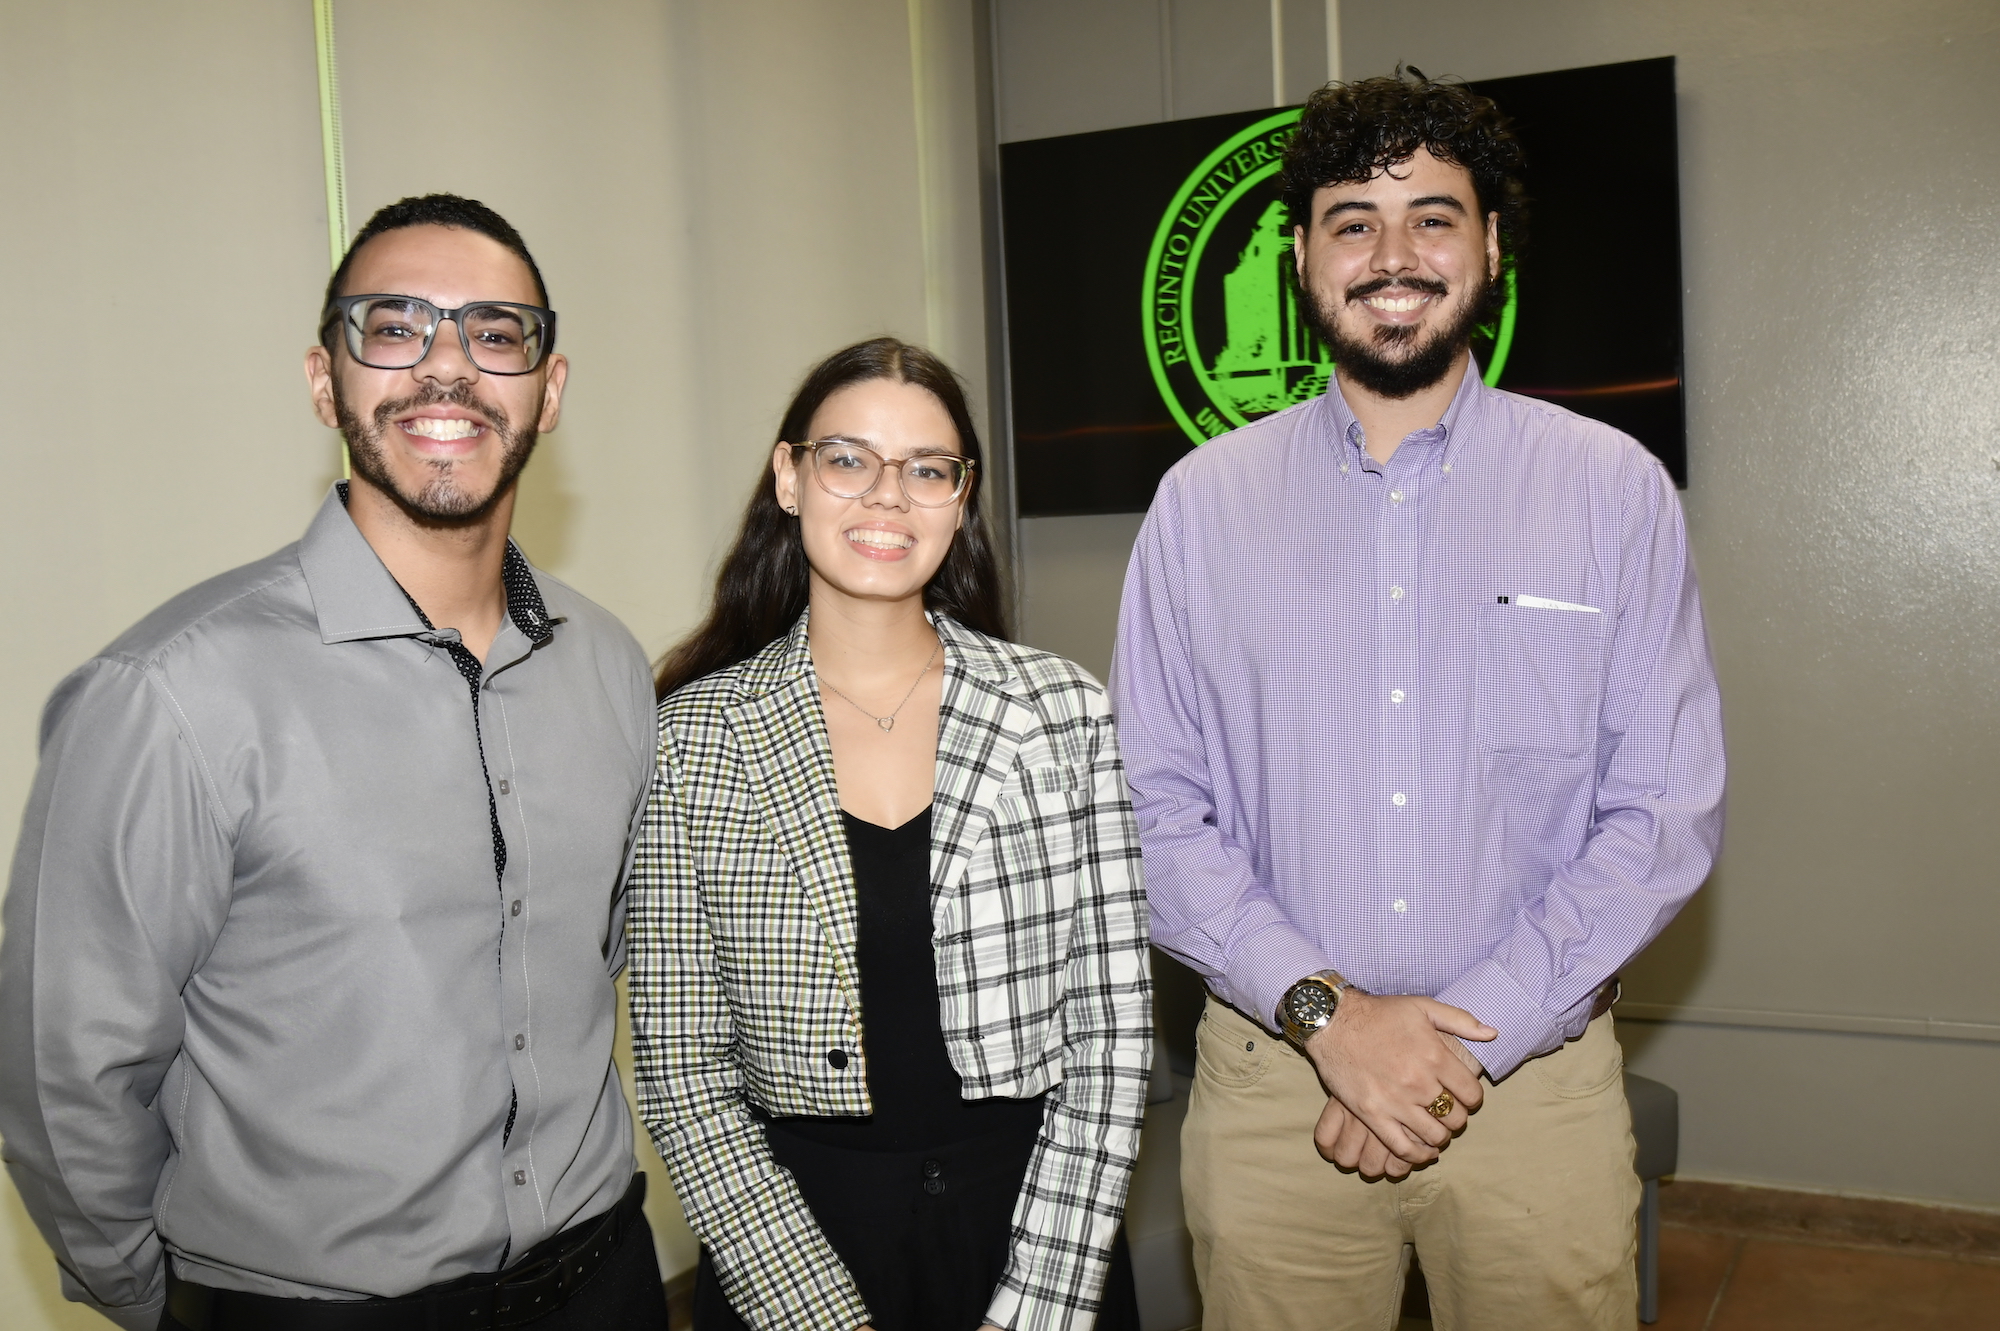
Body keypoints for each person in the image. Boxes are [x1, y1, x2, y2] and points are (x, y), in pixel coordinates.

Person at [1111, 72, 1726, 1331]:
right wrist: (1332, 1021)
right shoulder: (1198, 505)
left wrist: (1459, 1040)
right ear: (1300, 258)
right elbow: (1150, 810)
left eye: (1431, 217)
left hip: (1531, 1093)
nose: (1391, 255)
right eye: (1351, 221)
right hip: (1277, 1083)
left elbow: (1658, 812)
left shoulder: (1609, 491)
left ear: (1488, 247)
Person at [0, 194, 667, 1330]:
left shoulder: (605, 662)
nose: (447, 368)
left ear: (547, 392)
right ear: (326, 380)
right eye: (395, 326)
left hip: (599, 1284)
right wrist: (169, 1300)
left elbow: (596, 963)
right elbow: (67, 1073)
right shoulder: (169, 694)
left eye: (495, 333)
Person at [630, 337, 1152, 1331]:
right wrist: (807, 1305)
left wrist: (1043, 1297)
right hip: (795, 1228)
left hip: (1038, 1221)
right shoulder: (694, 734)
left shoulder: (1058, 711)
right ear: (789, 476)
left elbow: (1112, 1031)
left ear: (959, 498)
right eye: (847, 459)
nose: (887, 497)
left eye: (925, 469)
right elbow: (681, 1064)